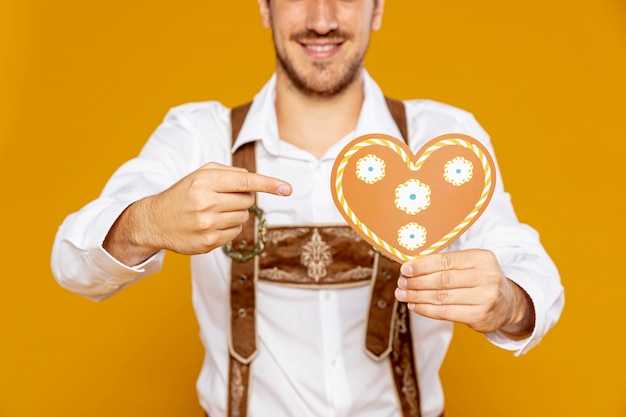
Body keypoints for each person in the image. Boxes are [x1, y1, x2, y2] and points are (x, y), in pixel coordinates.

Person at [51, 1, 564, 416]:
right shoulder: (197, 138)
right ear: (264, 7)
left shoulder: (442, 142)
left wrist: (507, 302)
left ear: (378, 8)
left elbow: (532, 271)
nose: (322, 19)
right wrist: (146, 221)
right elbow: (70, 265)